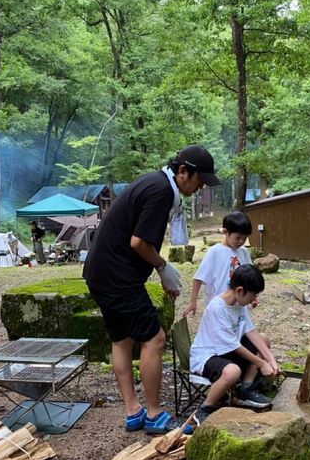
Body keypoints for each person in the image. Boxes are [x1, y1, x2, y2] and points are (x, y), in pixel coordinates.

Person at [83, 144, 221, 435]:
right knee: (154, 339)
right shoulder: (160, 192)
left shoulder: (154, 183)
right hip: (118, 278)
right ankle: (155, 415)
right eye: (200, 181)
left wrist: (158, 270)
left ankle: (133, 412)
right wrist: (163, 266)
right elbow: (139, 243)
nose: (200, 188)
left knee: (121, 339)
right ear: (183, 172)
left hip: (100, 273)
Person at [189, 264, 280, 428]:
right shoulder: (218, 308)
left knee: (263, 339)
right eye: (253, 295)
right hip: (208, 355)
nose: (254, 300)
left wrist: (271, 360)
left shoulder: (239, 304)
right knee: (232, 371)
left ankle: (245, 388)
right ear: (240, 290)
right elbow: (233, 347)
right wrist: (262, 363)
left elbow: (251, 331)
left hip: (227, 350)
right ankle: (204, 408)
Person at [183, 210, 253, 318]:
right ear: (226, 232)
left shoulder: (243, 252)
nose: (241, 241)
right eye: (238, 238)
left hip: (240, 308)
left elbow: (249, 277)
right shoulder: (214, 252)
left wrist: (252, 297)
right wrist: (193, 302)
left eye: (244, 238)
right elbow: (198, 278)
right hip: (219, 309)